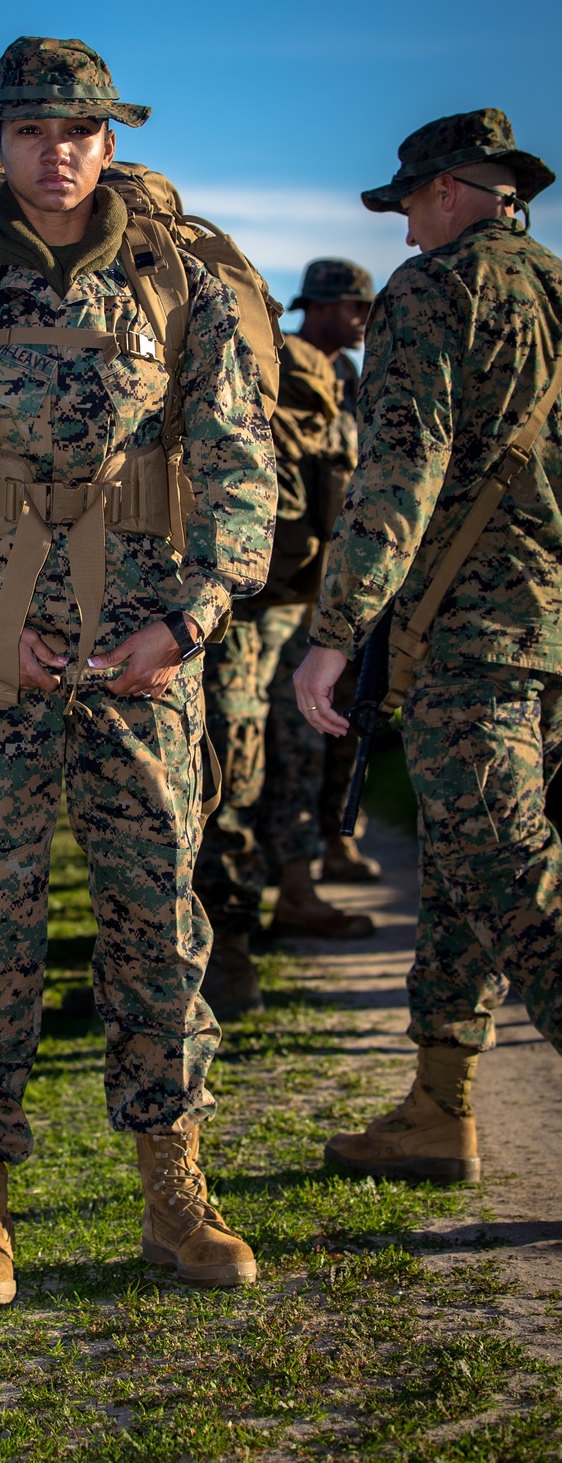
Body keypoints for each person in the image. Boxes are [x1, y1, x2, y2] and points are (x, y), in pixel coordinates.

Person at [0, 36, 277, 1304]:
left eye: (77, 130)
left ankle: (173, 1191)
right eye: (29, 131)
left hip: (142, 655)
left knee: (158, 925)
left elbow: (242, 468)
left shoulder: (173, 285)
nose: (54, 151)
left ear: (109, 140)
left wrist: (188, 620)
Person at [294, 108, 561, 1184]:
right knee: (461, 866)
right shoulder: (551, 285)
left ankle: (439, 1104)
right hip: (547, 628)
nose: (403, 235)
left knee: (512, 880)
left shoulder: (436, 289)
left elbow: (396, 473)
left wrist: (335, 632)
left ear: (448, 191)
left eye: (407, 206)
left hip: (473, 636)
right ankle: (437, 1107)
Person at [196, 317, 372, 1018]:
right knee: (269, 752)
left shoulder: (262, 383)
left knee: (232, 765)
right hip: (287, 599)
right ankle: (277, 902)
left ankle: (230, 952)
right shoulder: (319, 397)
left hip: (244, 606)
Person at [283, 260, 381, 886]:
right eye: (353, 308)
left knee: (350, 718)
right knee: (300, 729)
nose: (362, 321)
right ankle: (292, 863)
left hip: (341, 579)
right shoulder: (288, 371)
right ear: (319, 307)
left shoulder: (347, 375)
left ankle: (337, 839)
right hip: (296, 586)